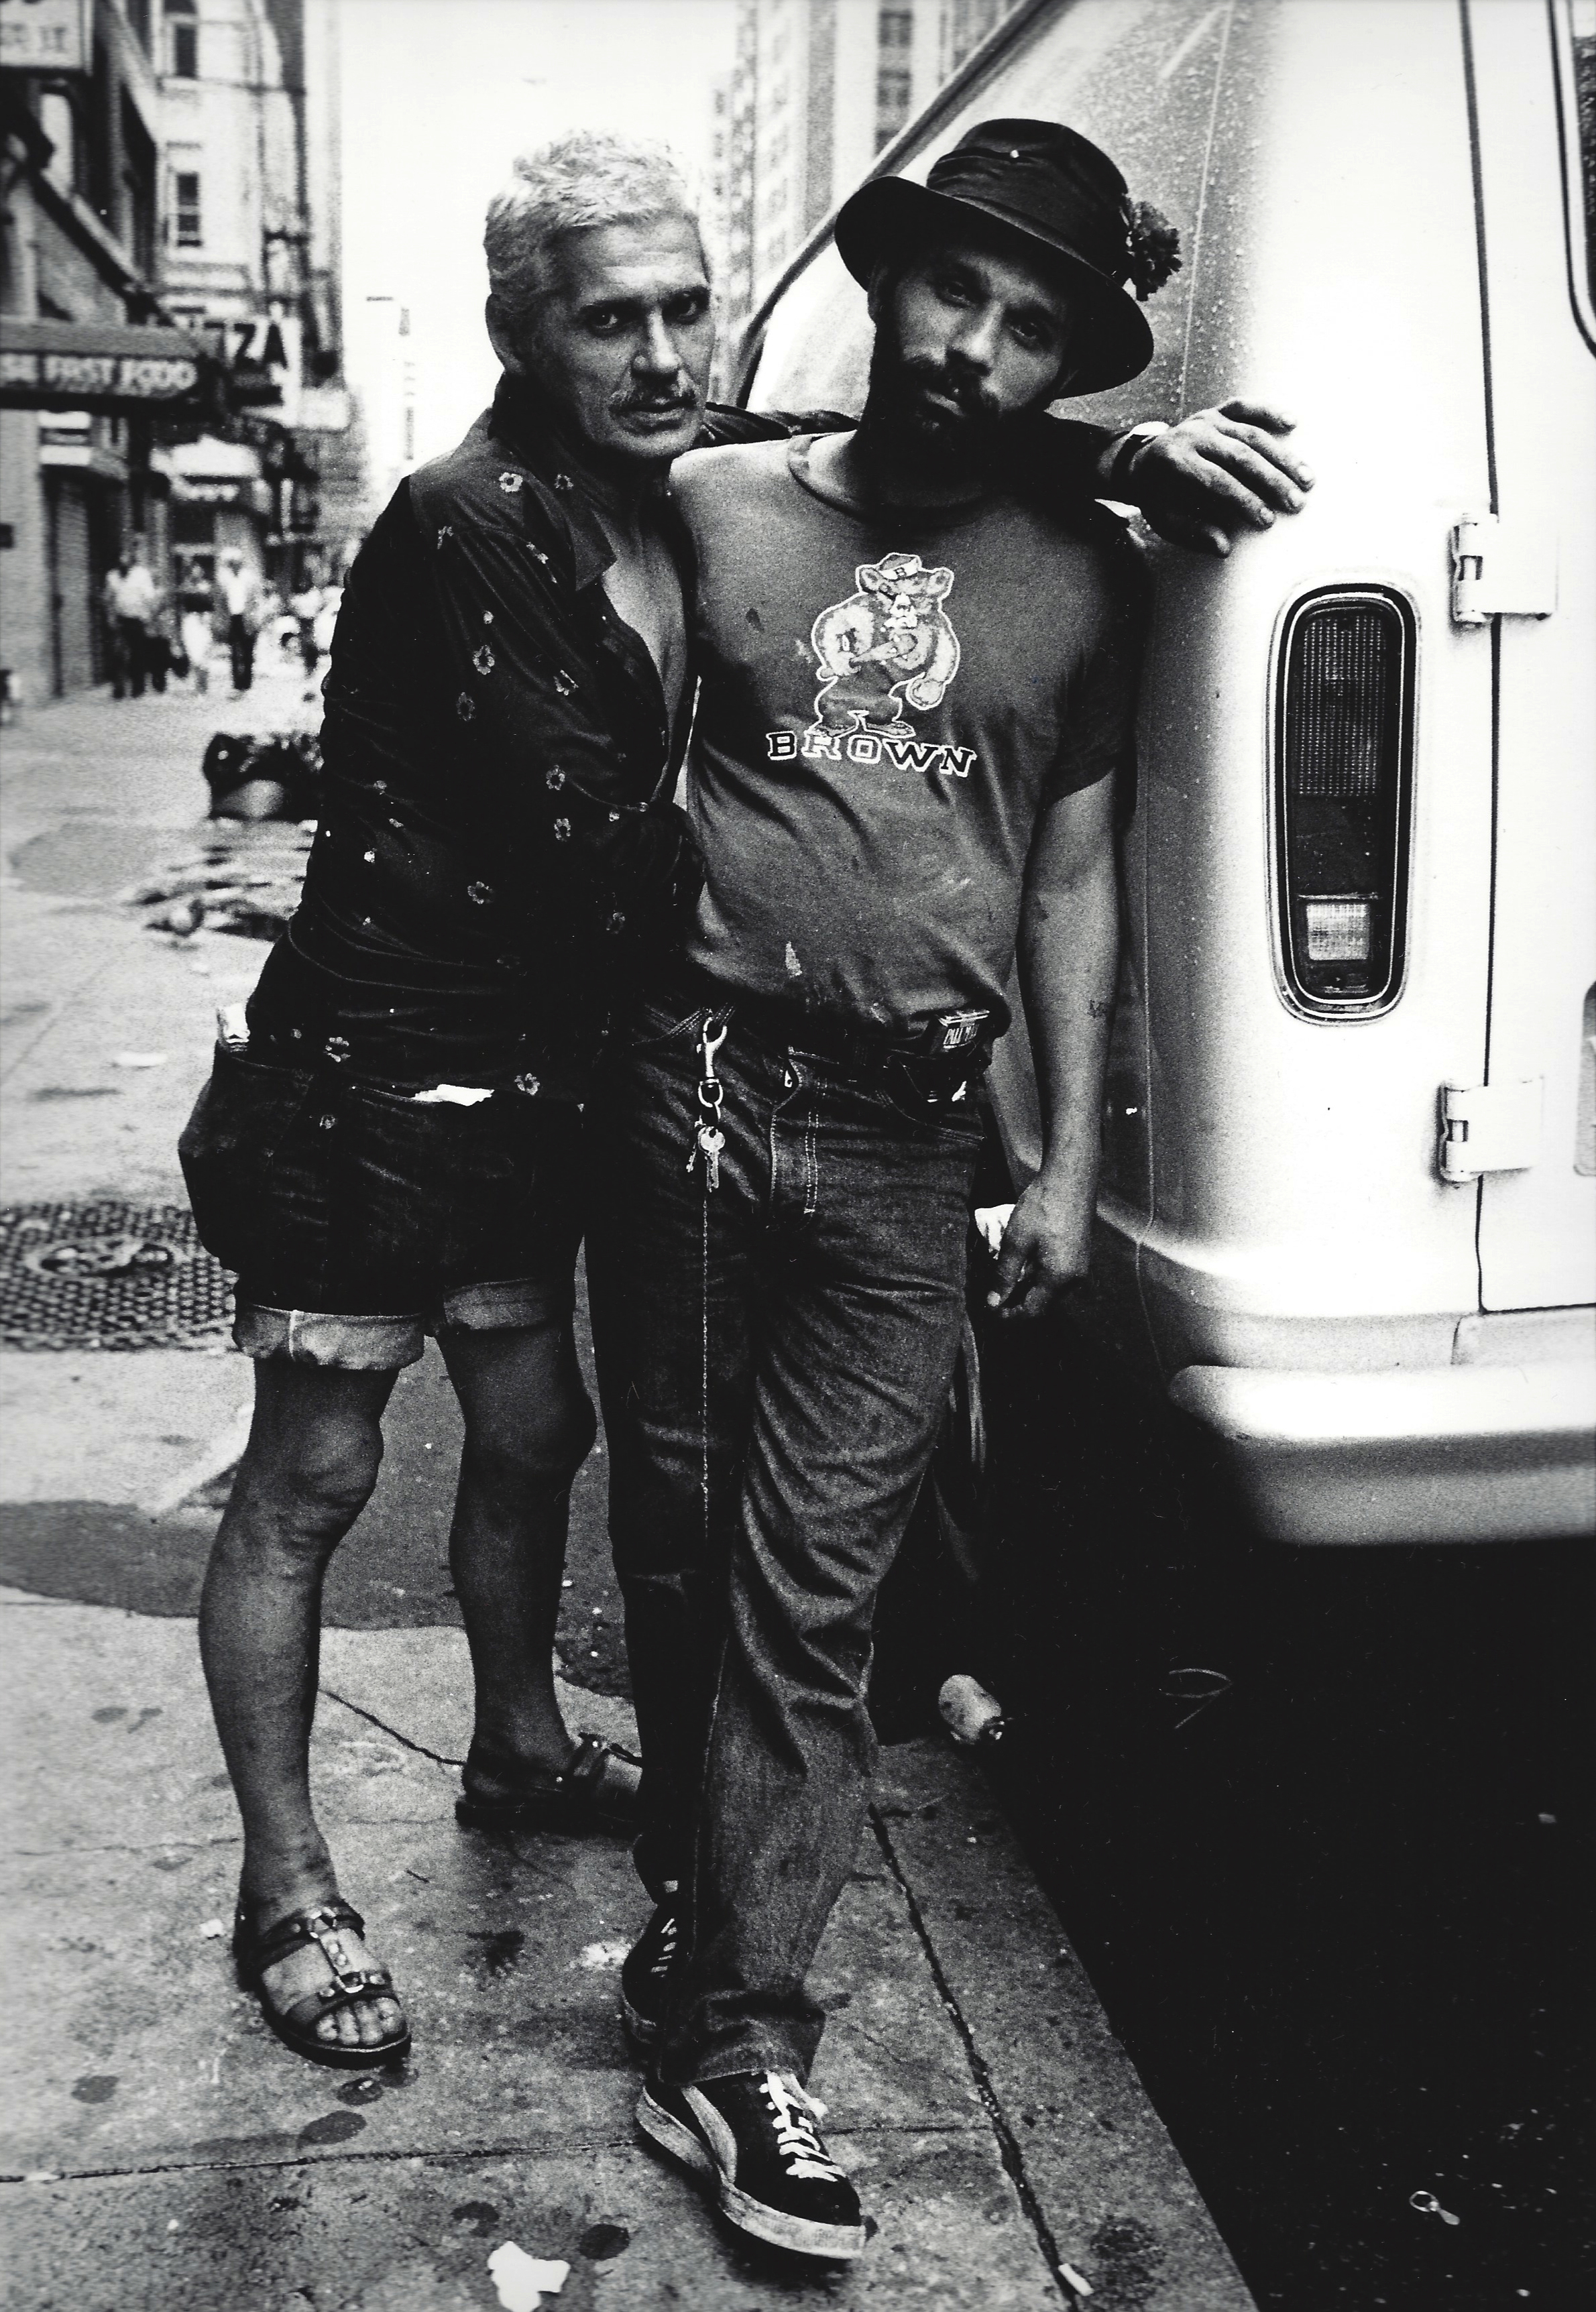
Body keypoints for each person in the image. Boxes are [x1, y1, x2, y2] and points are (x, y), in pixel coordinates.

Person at [176, 130, 1309, 2078]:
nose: (660, 349)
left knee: (536, 1435)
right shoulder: (476, 518)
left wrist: (1102, 454)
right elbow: (608, 855)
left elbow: (873, 428)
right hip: (378, 1075)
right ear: (517, 336)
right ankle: (286, 1887)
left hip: (539, 1079)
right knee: (314, 1480)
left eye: (683, 304)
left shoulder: (684, 469)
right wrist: (832, 946)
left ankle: (520, 1745)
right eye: (606, 318)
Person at [585, 117, 1233, 2259]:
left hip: (902, 1134)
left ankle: (741, 2039)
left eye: (1032, 326)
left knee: (821, 1592)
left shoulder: (1088, 567)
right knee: (680, 1549)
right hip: (684, 1097)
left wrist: (1051, 1161)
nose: (974, 345)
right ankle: (709, 1914)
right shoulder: (711, 504)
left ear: (1069, 368)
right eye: (953, 291)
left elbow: (1064, 861)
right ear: (886, 283)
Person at [103, 544, 158, 699]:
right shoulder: (112, 576)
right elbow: (108, 599)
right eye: (121, 557)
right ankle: (118, 688)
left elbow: (150, 597)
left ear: (132, 559)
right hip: (120, 620)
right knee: (118, 654)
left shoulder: (142, 574)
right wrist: (110, 617)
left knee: (137, 655)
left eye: (127, 557)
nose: (124, 560)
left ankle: (138, 687)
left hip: (138, 620)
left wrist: (149, 618)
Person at [219, 550, 260, 693]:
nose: (234, 566)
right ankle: (237, 683)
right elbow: (221, 602)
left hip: (247, 617)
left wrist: (256, 619)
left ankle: (247, 682)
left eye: (236, 563)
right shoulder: (225, 581)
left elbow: (256, 601)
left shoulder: (250, 579)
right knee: (234, 652)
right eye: (231, 563)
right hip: (232, 618)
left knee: (248, 652)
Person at [178, 558, 216, 695]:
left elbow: (211, 606)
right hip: (190, 621)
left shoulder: (207, 587)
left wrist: (209, 620)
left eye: (198, 571)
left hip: (204, 620)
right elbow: (182, 609)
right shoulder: (185, 588)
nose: (196, 573)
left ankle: (204, 685)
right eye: (193, 571)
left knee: (204, 652)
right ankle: (198, 684)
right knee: (194, 653)